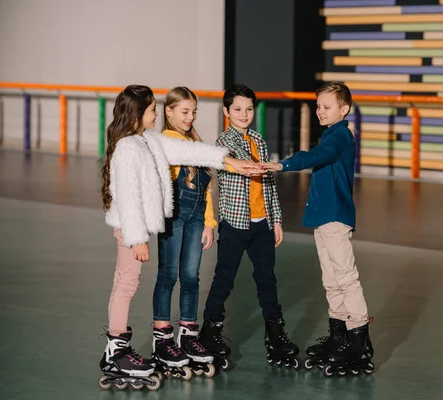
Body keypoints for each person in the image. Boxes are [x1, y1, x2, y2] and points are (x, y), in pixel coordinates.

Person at [98, 85, 262, 387]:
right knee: (126, 284)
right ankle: (115, 351)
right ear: (137, 114)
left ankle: (117, 348)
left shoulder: (147, 140)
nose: (155, 114)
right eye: (151, 110)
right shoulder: (127, 148)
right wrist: (138, 239)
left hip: (137, 228)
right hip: (129, 228)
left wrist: (230, 161)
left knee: (126, 282)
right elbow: (128, 196)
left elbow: (190, 150)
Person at [261, 81, 374, 377]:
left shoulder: (339, 137)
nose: (319, 111)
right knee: (330, 279)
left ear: (344, 109)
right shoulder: (331, 134)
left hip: (336, 217)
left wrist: (283, 165)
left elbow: (316, 157)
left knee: (346, 277)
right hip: (324, 218)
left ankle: (359, 339)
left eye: (326, 107)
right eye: (318, 106)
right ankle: (339, 334)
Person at [199, 84, 300, 370]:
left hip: (262, 225)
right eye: (238, 109)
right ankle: (210, 330)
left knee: (267, 280)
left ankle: (275, 333)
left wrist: (276, 218)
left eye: (249, 109)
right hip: (235, 224)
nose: (244, 114)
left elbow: (269, 184)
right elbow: (225, 164)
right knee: (224, 279)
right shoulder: (224, 142)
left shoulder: (259, 140)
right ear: (226, 111)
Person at [151, 87, 218, 378]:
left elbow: (208, 188)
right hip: (173, 218)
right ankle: (162, 337)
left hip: (195, 220)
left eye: (193, 112)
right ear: (169, 112)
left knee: (191, 277)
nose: (190, 117)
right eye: (184, 112)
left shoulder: (195, 142)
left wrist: (210, 223)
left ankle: (188, 335)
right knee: (168, 275)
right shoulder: (166, 140)